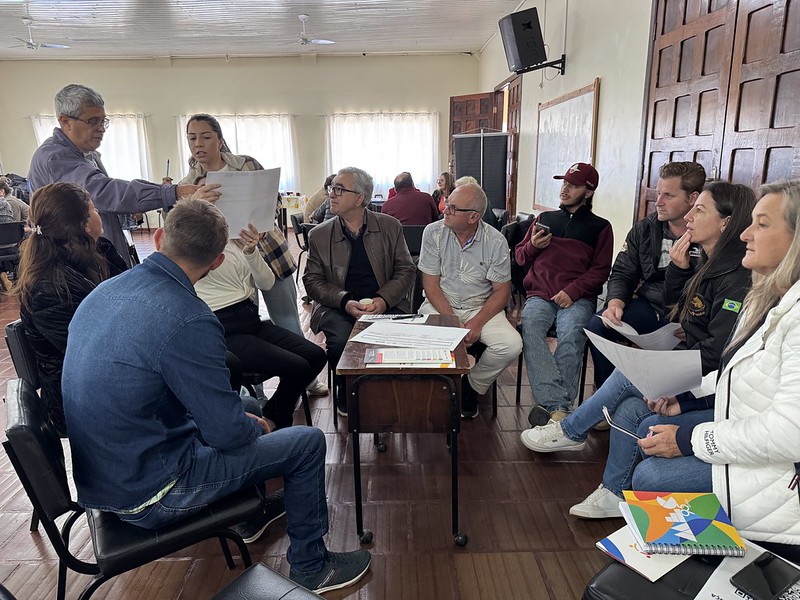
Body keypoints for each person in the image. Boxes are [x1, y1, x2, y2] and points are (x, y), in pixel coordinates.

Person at [61, 199, 372, 593]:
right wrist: (250, 427)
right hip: (150, 493)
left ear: (159, 237)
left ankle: (252, 514)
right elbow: (226, 434)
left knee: (248, 406)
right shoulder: (189, 317)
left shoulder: (104, 291)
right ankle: (312, 566)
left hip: (103, 477)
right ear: (218, 261)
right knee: (306, 443)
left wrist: (242, 421)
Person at [521, 181, 754, 520]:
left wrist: (668, 374)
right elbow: (680, 310)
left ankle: (572, 429)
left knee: (630, 372)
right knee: (629, 405)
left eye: (699, 210)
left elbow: (717, 351)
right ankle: (613, 491)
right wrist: (679, 271)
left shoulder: (735, 276)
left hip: (710, 380)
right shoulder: (707, 259)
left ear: (726, 223)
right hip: (696, 362)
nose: (689, 216)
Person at [632, 180, 800, 549]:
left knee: (652, 476)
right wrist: (685, 397)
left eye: (762, 224)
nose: (745, 234)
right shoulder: (765, 295)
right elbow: (737, 372)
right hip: (751, 445)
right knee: (650, 443)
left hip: (781, 485)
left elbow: (790, 433)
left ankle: (713, 554)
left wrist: (690, 439)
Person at [179, 114, 328, 396]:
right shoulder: (189, 184)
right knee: (249, 320)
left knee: (286, 317)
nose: (198, 144)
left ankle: (306, 378)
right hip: (229, 264)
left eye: (206, 137)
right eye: (192, 138)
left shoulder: (245, 165)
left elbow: (274, 200)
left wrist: (259, 216)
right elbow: (184, 226)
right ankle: (256, 393)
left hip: (266, 250)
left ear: (219, 140)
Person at [27, 84, 219, 266]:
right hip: (78, 263)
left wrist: (130, 212)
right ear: (65, 121)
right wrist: (173, 192)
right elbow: (104, 193)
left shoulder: (88, 155)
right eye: (92, 121)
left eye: (103, 121)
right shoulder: (54, 157)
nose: (101, 128)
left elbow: (104, 207)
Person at [15, 182, 127, 436]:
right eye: (94, 209)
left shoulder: (98, 253)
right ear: (84, 224)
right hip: (79, 396)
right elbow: (92, 353)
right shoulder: (50, 289)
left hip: (104, 375)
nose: (98, 214)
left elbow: (133, 296)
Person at [303, 167, 416, 413]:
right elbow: (312, 281)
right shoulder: (319, 235)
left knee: (394, 340)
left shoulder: (389, 227)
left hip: (386, 304)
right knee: (342, 341)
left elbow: (406, 270)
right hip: (338, 307)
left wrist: (383, 300)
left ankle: (387, 391)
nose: (332, 194)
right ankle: (346, 390)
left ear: (360, 198)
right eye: (332, 188)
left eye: (339, 189)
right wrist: (344, 301)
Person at [584, 161, 706, 389]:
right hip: (651, 307)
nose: (658, 202)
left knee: (700, 348)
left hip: (691, 316)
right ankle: (606, 394)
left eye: (668, 195)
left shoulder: (708, 234)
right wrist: (615, 302)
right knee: (599, 325)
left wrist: (696, 323)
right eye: (658, 193)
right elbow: (623, 271)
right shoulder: (645, 229)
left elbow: (716, 289)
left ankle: (665, 400)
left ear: (693, 198)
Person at [515, 163, 613, 425]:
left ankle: (552, 406)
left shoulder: (600, 227)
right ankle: (559, 406)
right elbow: (520, 257)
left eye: (573, 185)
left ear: (588, 192)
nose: (565, 189)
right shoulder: (544, 219)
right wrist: (533, 246)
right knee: (531, 327)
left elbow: (600, 271)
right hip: (540, 294)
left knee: (572, 334)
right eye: (564, 183)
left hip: (577, 298)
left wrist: (572, 291)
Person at [418, 182, 522, 419]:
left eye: (453, 208)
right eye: (447, 203)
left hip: (480, 307)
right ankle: (436, 387)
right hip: (440, 304)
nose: (445, 210)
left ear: (474, 217)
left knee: (511, 344)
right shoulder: (433, 232)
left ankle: (472, 385)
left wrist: (476, 323)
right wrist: (453, 322)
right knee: (425, 341)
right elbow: (431, 286)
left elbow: (501, 292)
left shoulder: (495, 241)